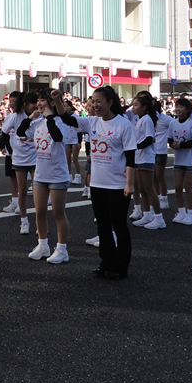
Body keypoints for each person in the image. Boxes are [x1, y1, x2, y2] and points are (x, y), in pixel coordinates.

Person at [72, 86, 136, 280]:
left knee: (119, 225)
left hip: (117, 184)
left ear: (110, 102)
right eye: (93, 101)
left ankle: (121, 266)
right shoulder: (92, 122)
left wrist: (129, 184)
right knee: (103, 225)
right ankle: (106, 262)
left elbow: (131, 157)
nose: (95, 105)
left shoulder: (123, 125)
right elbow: (67, 119)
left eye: (99, 101)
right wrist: (57, 101)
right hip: (98, 183)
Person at [19, 90, 74, 263]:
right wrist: (30, 118)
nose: (39, 104)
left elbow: (57, 137)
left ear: (52, 103)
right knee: (40, 211)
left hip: (57, 175)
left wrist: (50, 117)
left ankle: (62, 249)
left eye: (43, 100)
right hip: (40, 174)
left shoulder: (61, 122)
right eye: (39, 100)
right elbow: (21, 131)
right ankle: (42, 245)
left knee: (58, 213)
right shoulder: (37, 122)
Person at [1, 91, 38, 235]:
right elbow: (5, 132)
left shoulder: (40, 115)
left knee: (37, 191)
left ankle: (39, 222)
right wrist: (5, 148)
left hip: (36, 158)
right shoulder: (15, 117)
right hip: (19, 158)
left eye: (37, 102)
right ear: (25, 105)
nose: (36, 106)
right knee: (22, 190)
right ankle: (24, 221)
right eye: (33, 103)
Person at [130, 95, 164, 229]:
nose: (133, 108)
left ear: (144, 107)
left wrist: (135, 147)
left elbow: (149, 139)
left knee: (149, 188)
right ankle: (147, 214)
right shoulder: (140, 119)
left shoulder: (146, 119)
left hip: (146, 157)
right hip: (139, 157)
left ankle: (159, 217)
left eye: (136, 105)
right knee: (142, 188)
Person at [168, 98, 192, 225]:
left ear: (188, 109)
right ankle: (181, 211)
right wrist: (173, 145)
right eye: (177, 106)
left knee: (188, 186)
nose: (178, 109)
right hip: (179, 159)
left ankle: (191, 213)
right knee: (177, 187)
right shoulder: (173, 123)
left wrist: (181, 145)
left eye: (181, 107)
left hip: (190, 159)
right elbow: (170, 138)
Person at [151, 100, 174, 212]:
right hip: (150, 151)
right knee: (154, 177)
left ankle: (164, 198)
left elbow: (174, 124)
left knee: (160, 176)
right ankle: (158, 196)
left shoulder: (164, 119)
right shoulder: (147, 118)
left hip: (160, 150)